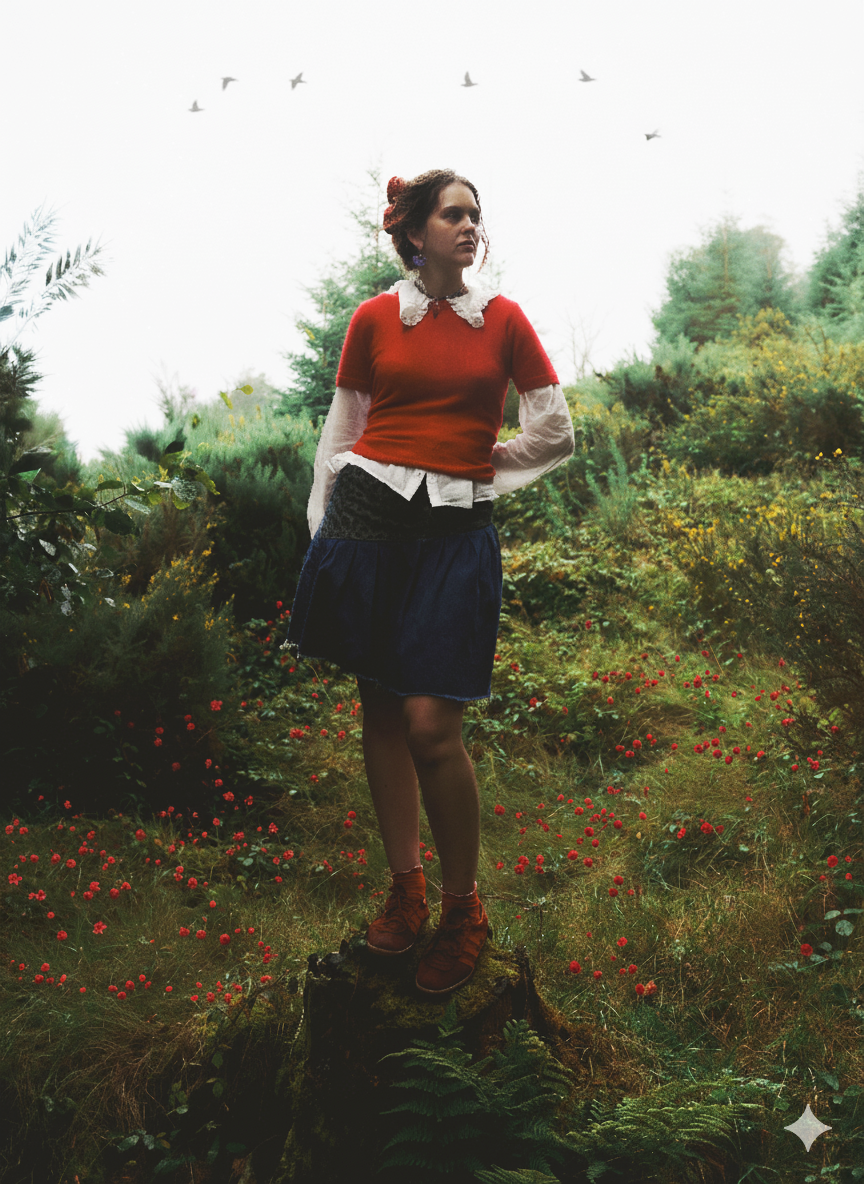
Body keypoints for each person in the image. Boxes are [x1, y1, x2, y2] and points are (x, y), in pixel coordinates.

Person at [284, 169, 575, 994]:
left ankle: (463, 909)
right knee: (380, 706)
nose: (469, 226)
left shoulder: (505, 321)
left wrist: (483, 464)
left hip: (456, 534)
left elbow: (552, 431)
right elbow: (343, 430)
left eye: (476, 215)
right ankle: (404, 892)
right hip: (370, 526)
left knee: (431, 726)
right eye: (453, 214)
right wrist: (327, 529)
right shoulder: (375, 319)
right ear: (414, 233)